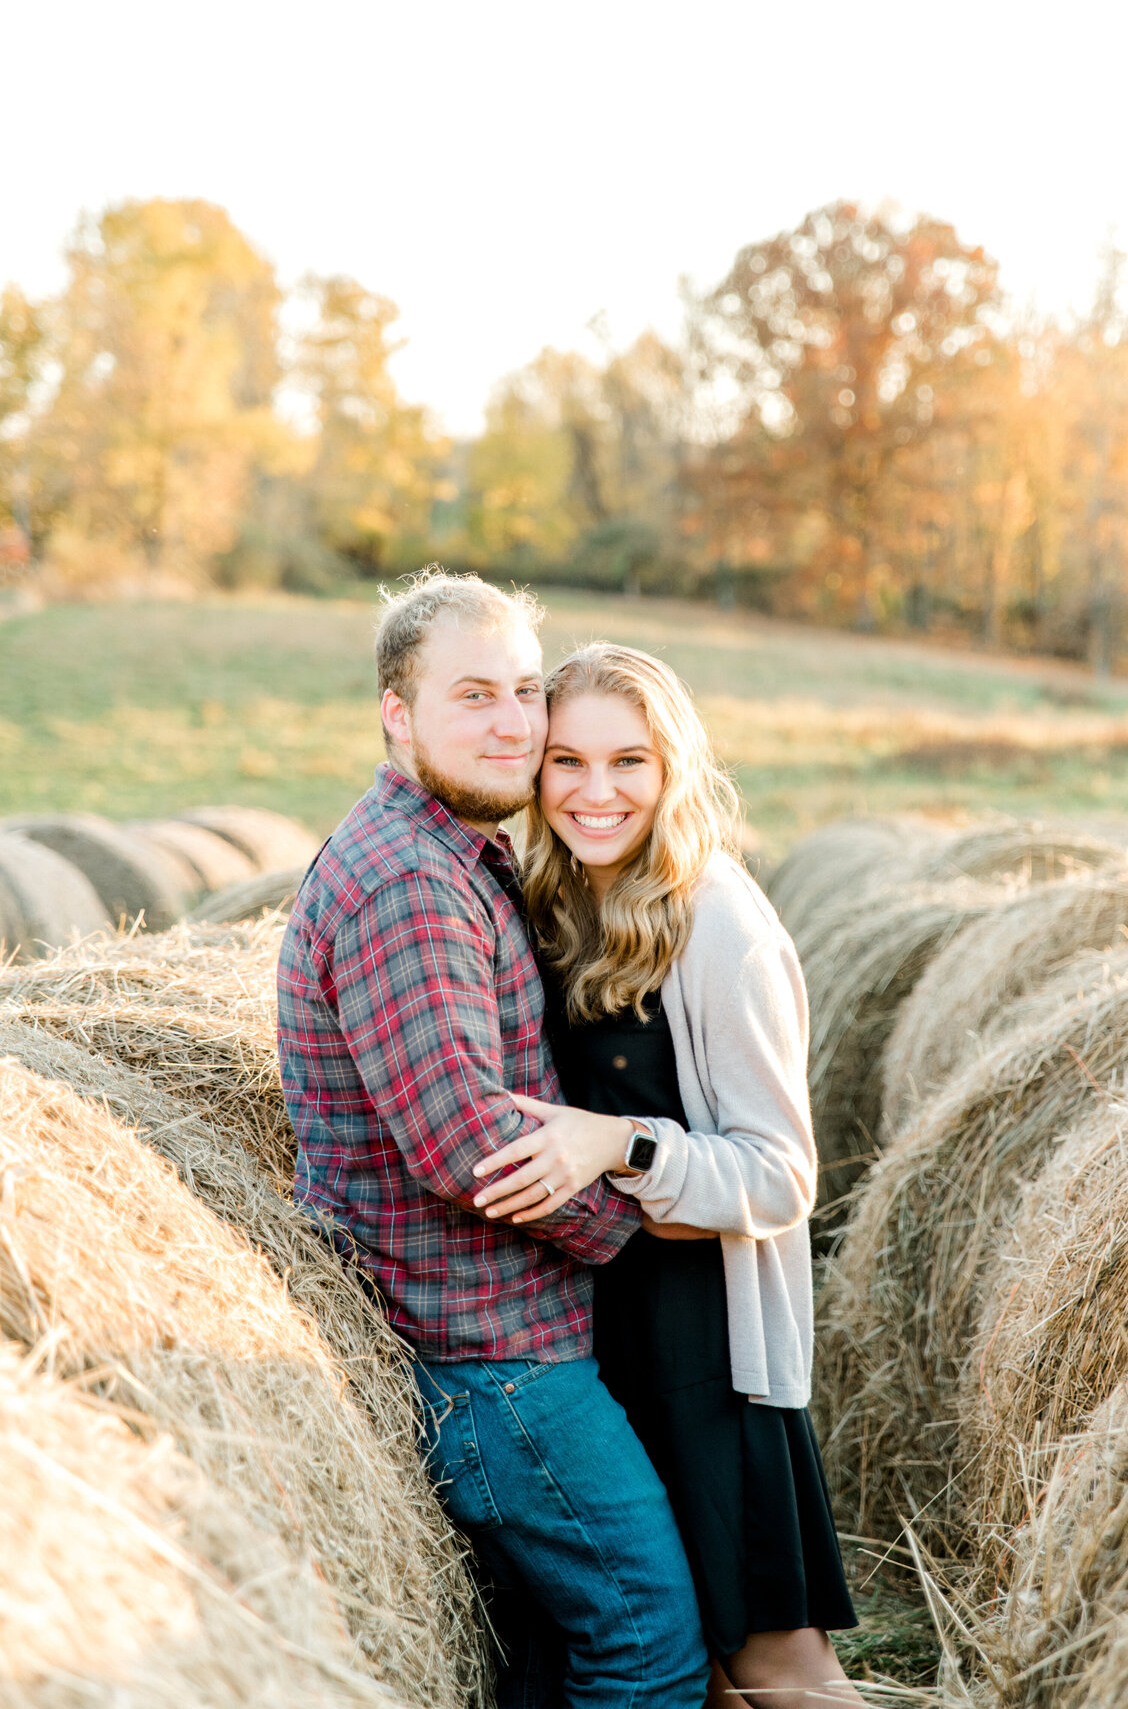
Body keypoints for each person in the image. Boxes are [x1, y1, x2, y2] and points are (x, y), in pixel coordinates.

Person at [276, 574, 709, 1709]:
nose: (517, 722)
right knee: (651, 1643)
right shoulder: (412, 883)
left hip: (492, 1340)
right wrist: (644, 1210)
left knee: (550, 1659)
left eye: (526, 690)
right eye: (474, 694)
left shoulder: (459, 855)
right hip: (489, 1358)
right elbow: (470, 1145)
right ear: (396, 712)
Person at [472, 642, 864, 1709]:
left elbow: (783, 1176)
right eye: (568, 762)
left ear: (672, 768)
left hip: (711, 1352)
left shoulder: (717, 921)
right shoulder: (556, 907)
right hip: (599, 1338)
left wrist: (620, 1142)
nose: (597, 793)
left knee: (777, 1667)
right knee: (697, 1674)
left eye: (629, 762)